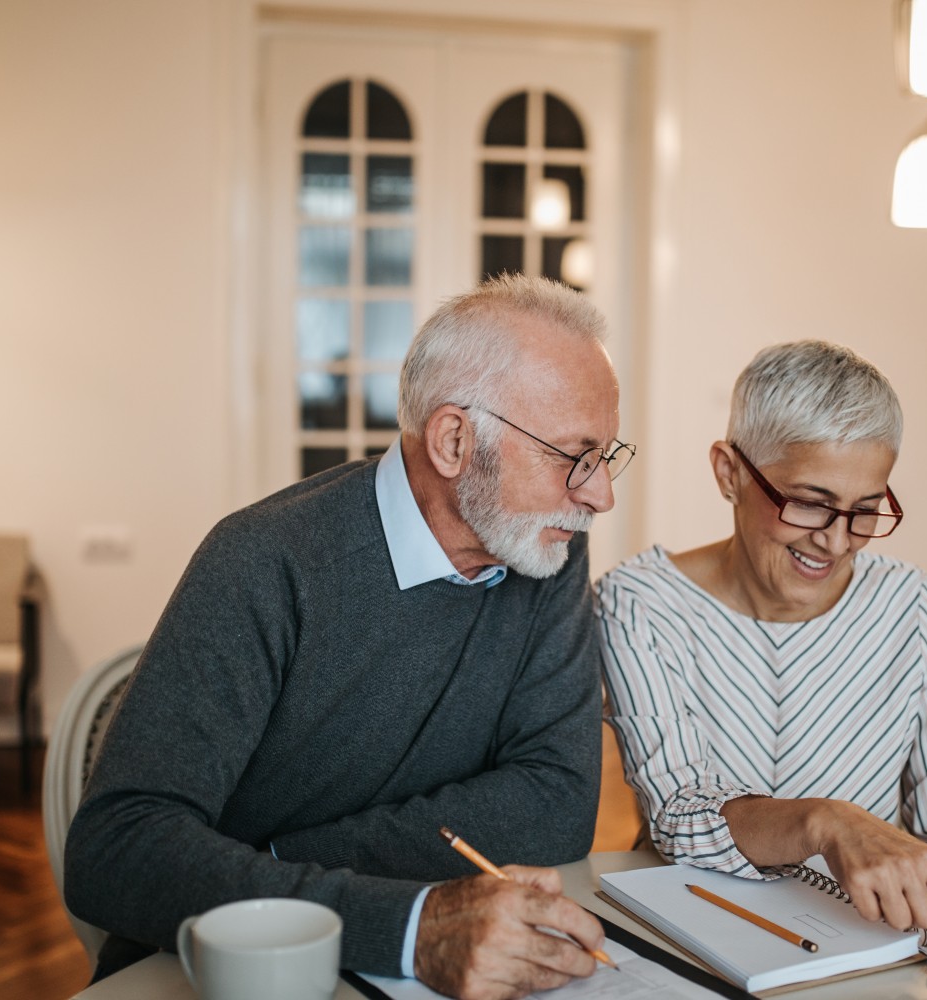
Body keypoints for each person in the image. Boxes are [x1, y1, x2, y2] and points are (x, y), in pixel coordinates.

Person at [64, 274, 636, 999]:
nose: (600, 496)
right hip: (230, 972)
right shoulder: (265, 561)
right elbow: (116, 850)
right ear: (455, 440)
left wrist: (271, 864)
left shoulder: (546, 549)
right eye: (572, 457)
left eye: (607, 457)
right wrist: (409, 923)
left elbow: (555, 806)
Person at [597, 340, 927, 966]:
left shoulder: (909, 605)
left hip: (873, 940)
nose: (835, 542)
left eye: (864, 511)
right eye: (809, 502)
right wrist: (826, 822)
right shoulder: (639, 603)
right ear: (729, 473)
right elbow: (679, 815)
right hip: (699, 933)